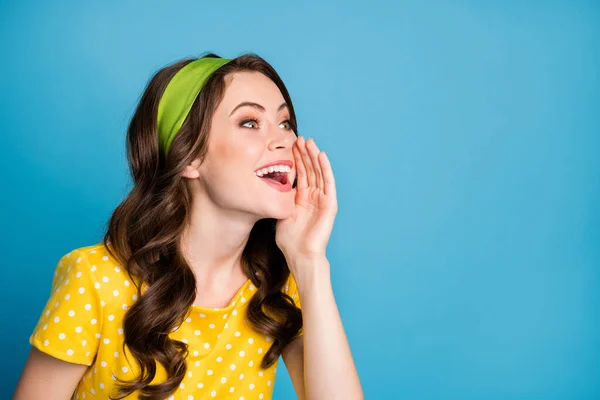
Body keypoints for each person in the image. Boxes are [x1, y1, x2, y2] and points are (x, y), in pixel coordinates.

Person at [13, 53, 363, 400]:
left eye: (285, 123)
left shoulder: (278, 284)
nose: (285, 141)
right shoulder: (94, 279)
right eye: (250, 123)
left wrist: (310, 261)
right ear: (189, 155)